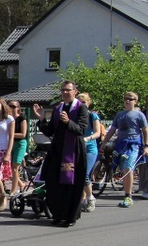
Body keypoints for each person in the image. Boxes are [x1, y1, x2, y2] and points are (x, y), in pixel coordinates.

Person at [32, 80, 89, 226]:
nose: (65, 92)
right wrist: (41, 119)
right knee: (54, 182)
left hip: (73, 151)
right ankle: (57, 214)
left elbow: (81, 129)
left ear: (75, 91)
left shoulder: (81, 107)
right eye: (63, 90)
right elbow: (50, 131)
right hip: (58, 150)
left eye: (68, 90)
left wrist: (68, 121)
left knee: (71, 184)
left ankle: (70, 217)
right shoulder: (58, 108)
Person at [100, 91, 148, 208]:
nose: (127, 100)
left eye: (130, 99)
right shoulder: (119, 115)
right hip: (120, 145)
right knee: (122, 169)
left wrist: (146, 145)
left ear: (135, 101)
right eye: (126, 98)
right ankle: (126, 192)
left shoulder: (139, 115)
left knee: (128, 168)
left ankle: (128, 196)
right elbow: (112, 130)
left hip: (134, 144)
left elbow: (145, 130)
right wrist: (104, 142)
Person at [77, 93, 101, 212]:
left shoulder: (93, 116)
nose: (81, 105)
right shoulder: (75, 116)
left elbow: (98, 133)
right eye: (79, 102)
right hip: (78, 148)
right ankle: (82, 199)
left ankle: (91, 198)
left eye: (84, 102)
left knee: (85, 174)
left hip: (90, 148)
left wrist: (87, 138)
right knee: (77, 174)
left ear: (88, 103)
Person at [8, 100, 28, 197]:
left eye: (14, 106)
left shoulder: (22, 118)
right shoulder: (8, 119)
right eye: (10, 106)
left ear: (18, 108)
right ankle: (21, 184)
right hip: (11, 143)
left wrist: (10, 134)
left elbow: (23, 134)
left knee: (14, 167)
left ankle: (13, 190)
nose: (11, 108)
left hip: (20, 143)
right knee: (8, 168)